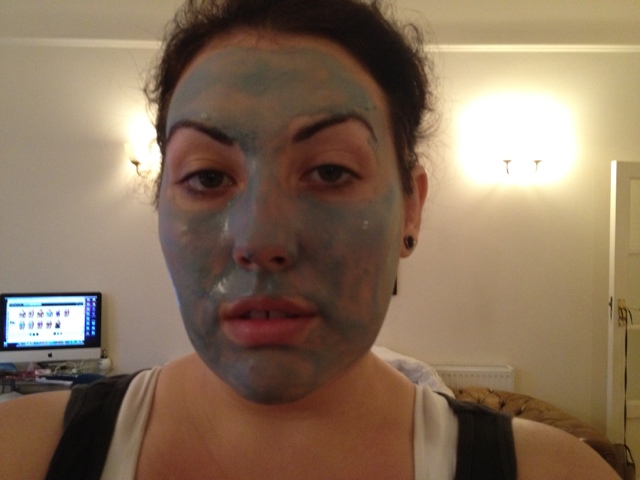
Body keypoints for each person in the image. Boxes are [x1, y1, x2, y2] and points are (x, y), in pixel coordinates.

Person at [0, 0, 619, 479]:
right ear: (161, 201)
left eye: (329, 172)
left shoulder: (556, 471)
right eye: (208, 177)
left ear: (411, 207)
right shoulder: (22, 452)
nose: (261, 240)